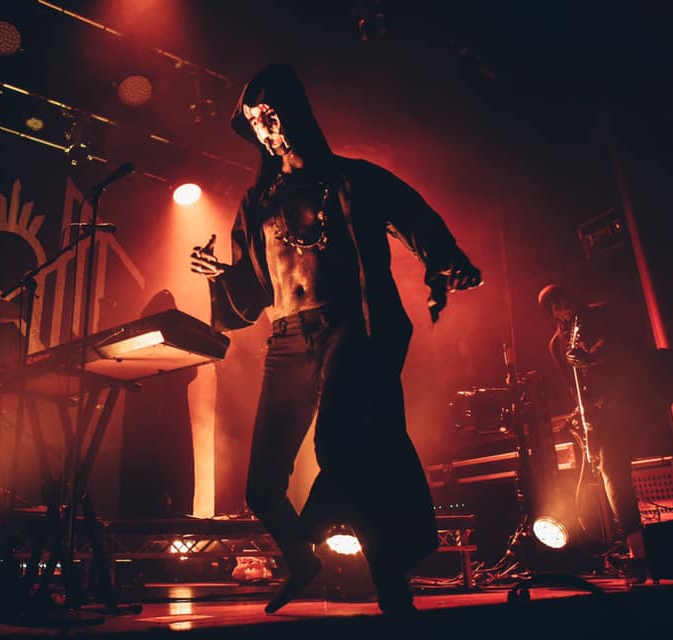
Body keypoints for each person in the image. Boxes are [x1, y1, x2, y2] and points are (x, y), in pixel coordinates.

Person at [189, 64, 482, 614]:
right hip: (286, 338)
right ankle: (305, 559)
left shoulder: (354, 179)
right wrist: (218, 275)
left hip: (346, 326)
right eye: (253, 121)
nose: (264, 129)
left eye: (269, 115)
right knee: (261, 487)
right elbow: (251, 295)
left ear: (294, 112)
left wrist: (448, 262)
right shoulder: (258, 202)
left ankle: (376, 569)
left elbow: (415, 216)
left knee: (341, 446)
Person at [536, 283, 649, 583]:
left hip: (635, 399)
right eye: (556, 306)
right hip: (604, 415)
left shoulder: (601, 315)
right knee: (611, 476)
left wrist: (594, 357)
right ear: (552, 313)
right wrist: (583, 413)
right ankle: (636, 555)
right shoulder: (557, 345)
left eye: (564, 300)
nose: (563, 308)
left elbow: (629, 349)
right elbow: (573, 387)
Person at [118, 289, 197, 518]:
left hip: (168, 423)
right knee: (153, 476)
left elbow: (190, 373)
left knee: (172, 474)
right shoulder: (140, 344)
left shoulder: (174, 341)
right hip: (151, 426)